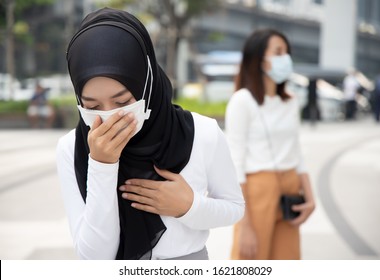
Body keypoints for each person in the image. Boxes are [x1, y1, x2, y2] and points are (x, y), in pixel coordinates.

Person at [56, 7, 244, 260]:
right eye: (92, 107)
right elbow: (95, 257)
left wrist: (189, 206)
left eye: (122, 102)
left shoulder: (202, 133)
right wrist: (102, 165)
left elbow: (234, 208)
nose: (110, 117)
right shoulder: (72, 147)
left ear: (147, 82)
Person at [225, 28, 315, 260]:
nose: (285, 58)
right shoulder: (242, 101)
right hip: (257, 191)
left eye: (286, 52)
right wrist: (244, 224)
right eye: (278, 52)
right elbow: (236, 162)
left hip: (291, 188)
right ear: (259, 59)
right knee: (250, 262)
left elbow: (297, 152)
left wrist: (311, 196)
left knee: (288, 260)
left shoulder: (290, 101)